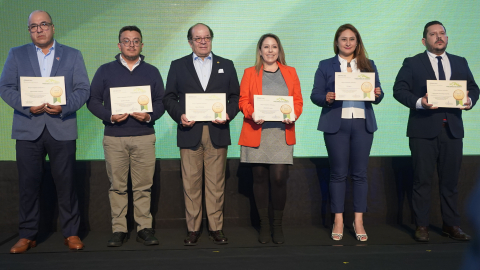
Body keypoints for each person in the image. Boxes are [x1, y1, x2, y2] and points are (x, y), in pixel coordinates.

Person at [0, 10, 90, 253]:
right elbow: (5, 86)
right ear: (29, 30)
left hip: (61, 125)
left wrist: (65, 106)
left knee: (66, 184)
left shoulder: (72, 55)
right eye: (33, 27)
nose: (39, 30)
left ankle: (71, 233)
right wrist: (25, 105)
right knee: (28, 185)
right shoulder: (16, 54)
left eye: (43, 25)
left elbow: (83, 89)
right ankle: (27, 235)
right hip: (28, 127)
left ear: (52, 27)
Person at [393, 21, 478, 242]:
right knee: (422, 180)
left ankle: (452, 225)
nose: (438, 37)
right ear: (424, 40)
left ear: (447, 38)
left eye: (442, 33)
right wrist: (419, 101)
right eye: (433, 34)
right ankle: (421, 226)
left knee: (450, 181)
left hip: (452, 131)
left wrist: (469, 100)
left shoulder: (460, 62)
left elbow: (474, 88)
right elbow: (399, 90)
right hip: (423, 131)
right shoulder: (412, 63)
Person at [87, 26, 164, 247]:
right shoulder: (104, 70)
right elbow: (92, 100)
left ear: (141, 44)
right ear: (119, 45)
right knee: (118, 186)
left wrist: (149, 116)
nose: (131, 45)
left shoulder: (152, 71)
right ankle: (119, 229)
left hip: (144, 135)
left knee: (143, 186)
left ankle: (144, 228)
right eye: (126, 41)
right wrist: (109, 116)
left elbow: (160, 102)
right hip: (114, 137)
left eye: (136, 41)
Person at [163, 23, 240, 246]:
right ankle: (193, 229)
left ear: (211, 39)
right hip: (190, 131)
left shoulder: (226, 64)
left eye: (207, 37)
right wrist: (181, 115)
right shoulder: (178, 65)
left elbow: (235, 97)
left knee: (216, 184)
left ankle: (216, 228)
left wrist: (228, 114)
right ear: (190, 42)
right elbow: (169, 98)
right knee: (191, 183)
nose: (203, 41)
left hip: (217, 130)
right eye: (198, 38)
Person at [311, 24, 383, 242]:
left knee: (360, 174)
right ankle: (339, 219)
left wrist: (378, 93)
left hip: (362, 123)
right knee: (338, 173)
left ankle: (358, 220)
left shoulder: (368, 65)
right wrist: (328, 97)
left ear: (357, 43)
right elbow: (316, 95)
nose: (348, 43)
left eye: (352, 39)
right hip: (336, 124)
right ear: (337, 42)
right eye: (344, 39)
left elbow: (378, 94)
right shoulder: (326, 65)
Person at [238, 34, 303, 244]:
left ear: (279, 50)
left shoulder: (290, 72)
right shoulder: (250, 73)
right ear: (259, 51)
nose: (270, 50)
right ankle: (265, 226)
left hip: (281, 134)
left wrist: (294, 114)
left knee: (278, 178)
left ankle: (277, 225)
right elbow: (243, 101)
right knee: (258, 178)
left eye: (274, 47)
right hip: (257, 131)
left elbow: (298, 101)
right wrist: (251, 113)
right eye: (266, 47)